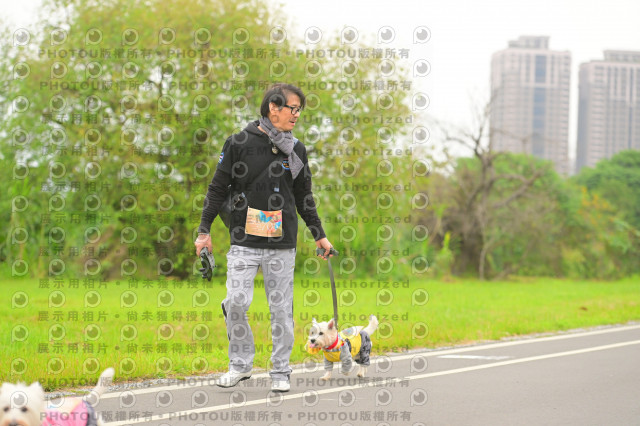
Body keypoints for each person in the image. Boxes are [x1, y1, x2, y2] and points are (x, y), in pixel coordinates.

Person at [194, 83, 334, 393]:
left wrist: (319, 235)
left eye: (299, 110)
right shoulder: (238, 143)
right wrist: (204, 231)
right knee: (235, 302)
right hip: (244, 241)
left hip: (281, 243)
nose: (297, 115)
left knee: (281, 312)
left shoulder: (296, 150)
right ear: (273, 107)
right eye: (292, 108)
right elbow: (216, 189)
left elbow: (304, 197)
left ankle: (281, 371)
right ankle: (240, 365)